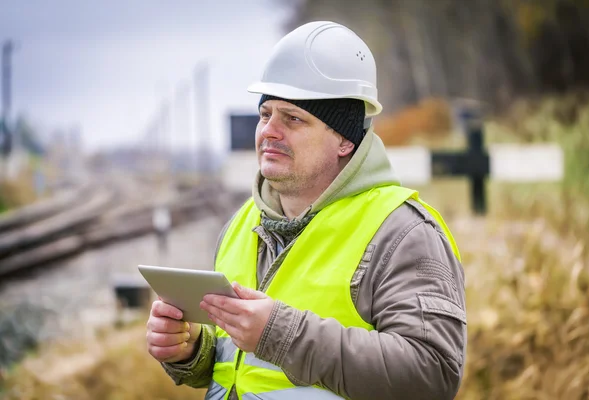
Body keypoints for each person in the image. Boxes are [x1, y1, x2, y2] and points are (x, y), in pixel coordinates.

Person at [146, 21, 466, 400]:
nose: (269, 131)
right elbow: (239, 368)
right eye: (266, 114)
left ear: (345, 139)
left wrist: (280, 333)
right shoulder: (241, 224)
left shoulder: (402, 233)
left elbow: (432, 375)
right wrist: (192, 350)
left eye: (293, 119)